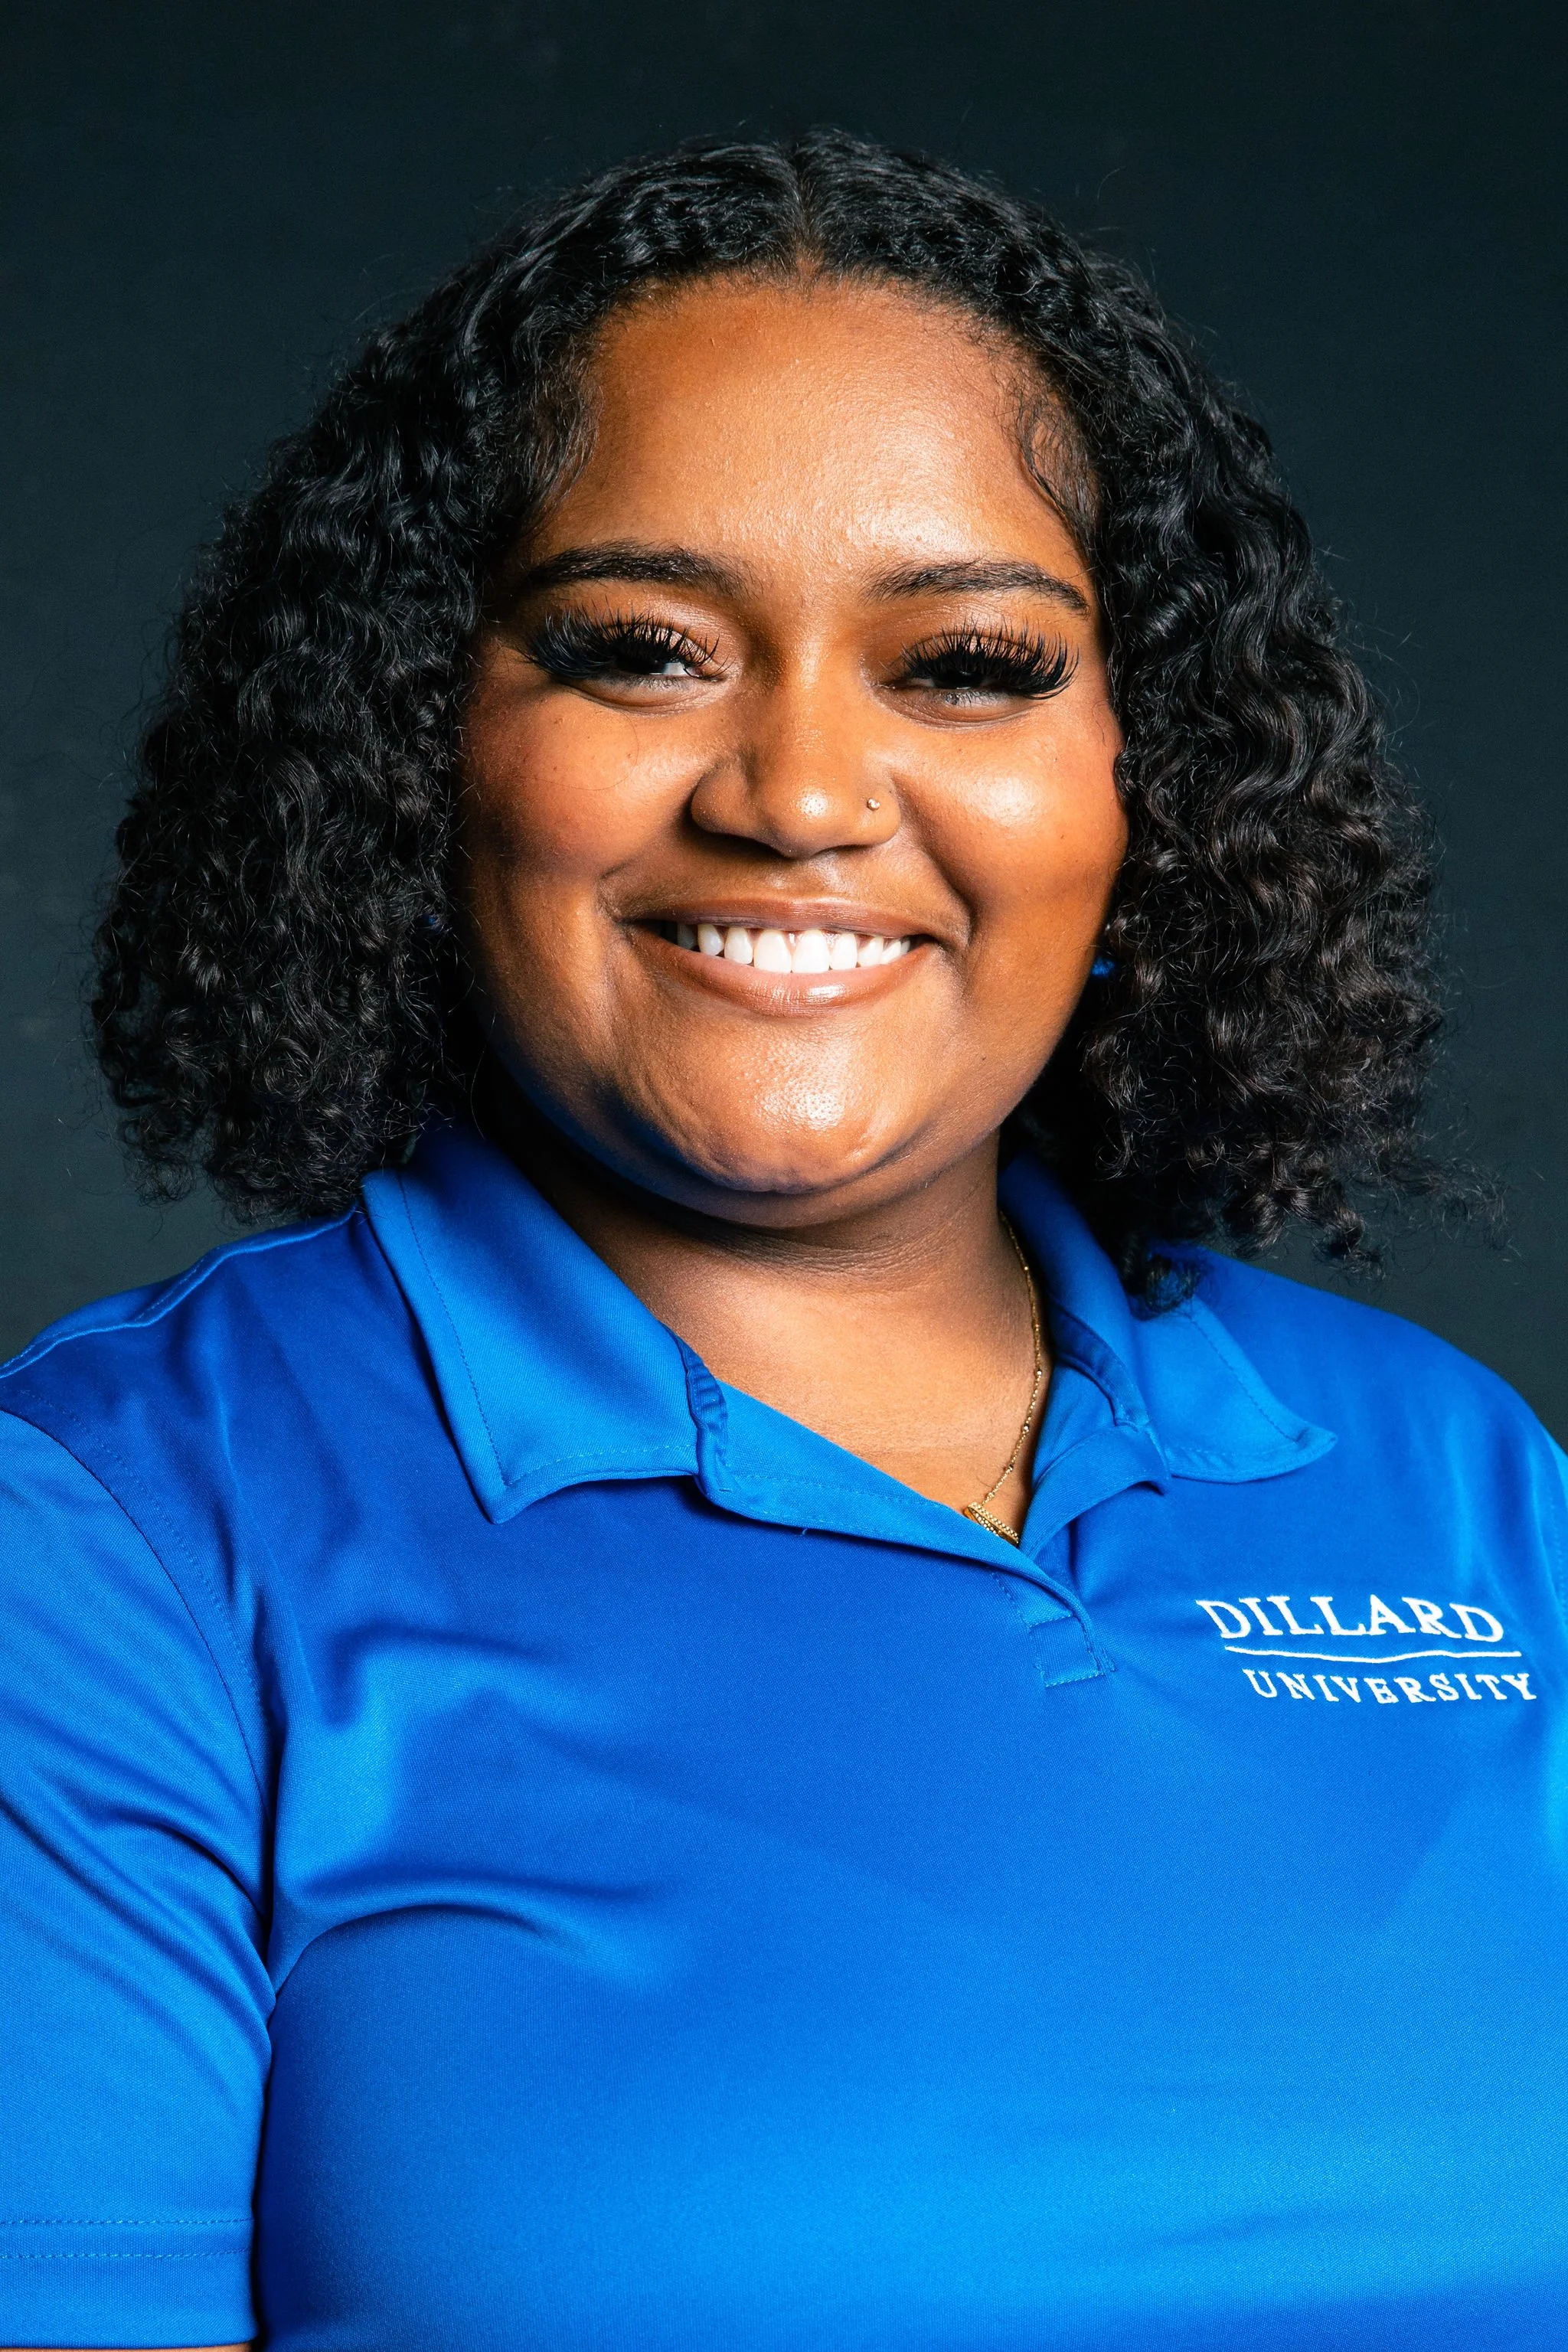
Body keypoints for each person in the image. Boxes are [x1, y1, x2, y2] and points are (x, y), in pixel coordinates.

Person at [1, 130, 1563, 2352]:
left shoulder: (1457, 1483)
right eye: (643, 651)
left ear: (1153, 781)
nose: (804, 792)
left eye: (971, 666)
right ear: (412, 751)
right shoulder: (109, 1548)